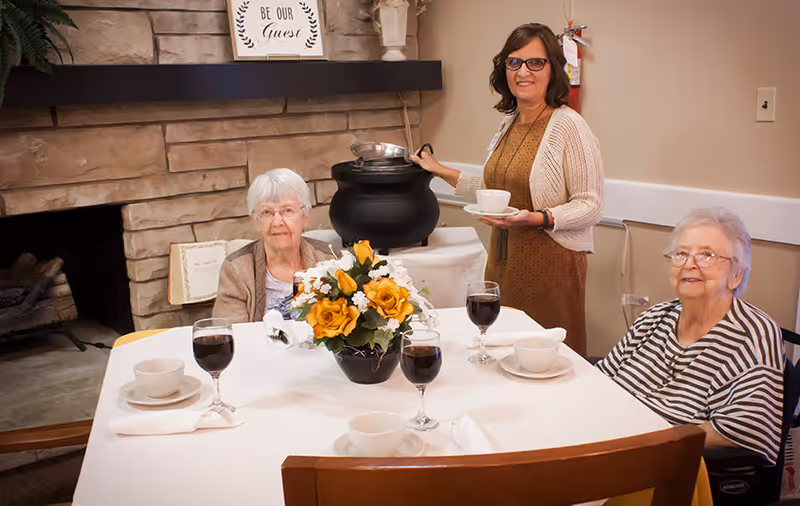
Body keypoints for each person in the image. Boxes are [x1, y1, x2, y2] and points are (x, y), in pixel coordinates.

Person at [412, 23, 603, 356]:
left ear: (553, 69)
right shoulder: (508, 124)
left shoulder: (569, 124)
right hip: (503, 260)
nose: (523, 71)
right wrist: (439, 170)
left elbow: (590, 205)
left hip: (551, 266)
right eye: (514, 62)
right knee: (504, 350)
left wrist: (535, 218)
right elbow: (494, 189)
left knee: (544, 356)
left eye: (535, 62)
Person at [596, 207, 784, 464]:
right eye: (681, 254)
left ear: (736, 275)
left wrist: (643, 442)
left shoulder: (753, 335)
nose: (689, 264)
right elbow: (601, 382)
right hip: (601, 441)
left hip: (662, 467)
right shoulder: (654, 317)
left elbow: (743, 431)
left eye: (707, 255)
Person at [213, 168, 338, 323]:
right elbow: (232, 333)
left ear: (305, 216)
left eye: (288, 210)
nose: (277, 222)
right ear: (255, 220)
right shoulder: (236, 269)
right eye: (267, 212)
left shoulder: (330, 259)